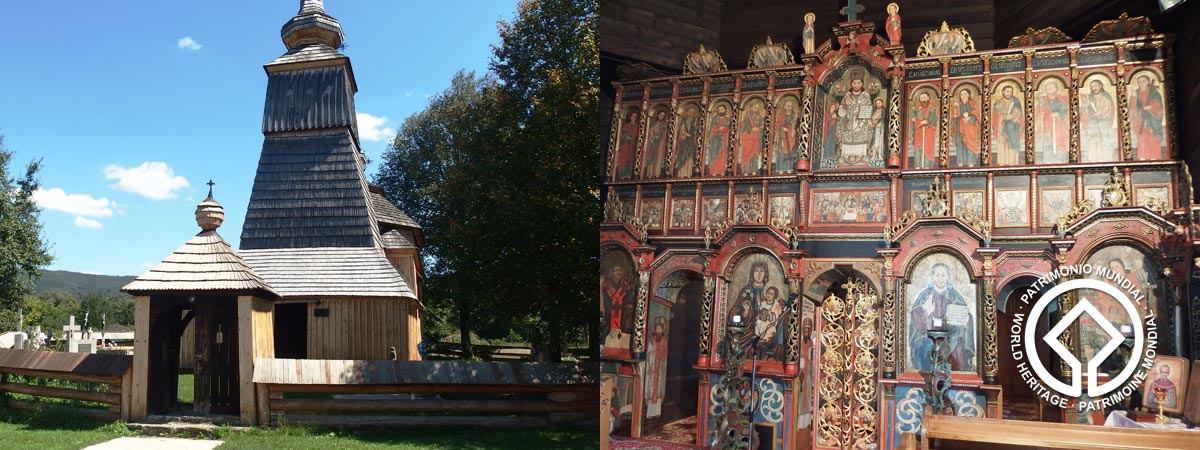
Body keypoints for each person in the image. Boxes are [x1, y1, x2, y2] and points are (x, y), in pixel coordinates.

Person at [909, 263, 975, 372]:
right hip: (928, 335)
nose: (940, 279)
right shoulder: (925, 295)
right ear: (932, 276)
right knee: (926, 345)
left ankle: (957, 375)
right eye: (938, 275)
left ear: (949, 277)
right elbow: (915, 317)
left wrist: (966, 319)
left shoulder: (955, 296)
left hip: (951, 335)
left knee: (958, 345)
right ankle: (926, 374)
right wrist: (925, 311)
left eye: (944, 275)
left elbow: (965, 315)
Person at [836, 78, 874, 166]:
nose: (856, 85)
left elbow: (869, 108)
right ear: (851, 84)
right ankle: (843, 154)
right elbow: (841, 109)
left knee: (865, 132)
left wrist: (863, 119)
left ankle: (863, 154)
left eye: (858, 83)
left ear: (862, 84)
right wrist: (846, 106)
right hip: (848, 121)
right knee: (843, 128)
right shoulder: (847, 96)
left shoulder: (866, 96)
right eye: (854, 83)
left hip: (862, 122)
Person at [1081, 79, 1118, 162]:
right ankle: (1093, 159)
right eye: (1092, 87)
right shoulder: (1089, 98)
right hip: (1093, 123)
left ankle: (1107, 159)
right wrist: (1085, 107)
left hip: (1104, 122)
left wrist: (1101, 113)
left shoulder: (1106, 97)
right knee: (1093, 139)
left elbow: (1109, 109)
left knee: (1105, 139)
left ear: (1101, 85)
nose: (1094, 88)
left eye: (1095, 86)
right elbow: (1084, 112)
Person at [1131, 74, 1165, 160]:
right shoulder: (1136, 93)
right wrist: (1134, 97)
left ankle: (1155, 156)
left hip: (1152, 117)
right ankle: (1143, 156)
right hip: (1140, 118)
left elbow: (1158, 102)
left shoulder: (1153, 92)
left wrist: (1151, 106)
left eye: (1143, 81)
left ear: (1148, 82)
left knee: (1153, 136)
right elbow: (1132, 106)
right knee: (1142, 137)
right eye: (1139, 82)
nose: (1141, 83)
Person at [1037, 80, 1069, 163]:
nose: (1049, 91)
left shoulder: (1061, 98)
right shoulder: (1043, 100)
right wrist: (1041, 111)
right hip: (1047, 124)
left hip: (1059, 124)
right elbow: (1039, 110)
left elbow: (1065, 109)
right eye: (1047, 89)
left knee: (1059, 139)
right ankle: (1048, 160)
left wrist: (1058, 114)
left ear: (1056, 89)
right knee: (1048, 141)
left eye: (1051, 88)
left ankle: (1060, 159)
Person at [992, 85, 1024, 165]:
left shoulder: (1015, 101)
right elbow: (995, 114)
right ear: (1003, 92)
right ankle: (1002, 162)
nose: (1009, 93)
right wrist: (1002, 117)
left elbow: (1018, 113)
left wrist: (1012, 116)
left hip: (1013, 125)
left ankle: (1013, 162)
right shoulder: (998, 102)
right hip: (1001, 124)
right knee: (1003, 142)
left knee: (1011, 141)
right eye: (1007, 91)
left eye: (1010, 91)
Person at [951, 88, 981, 166]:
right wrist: (955, 114)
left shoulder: (972, 103)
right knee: (960, 145)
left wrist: (970, 117)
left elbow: (976, 113)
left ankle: (971, 164)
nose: (963, 96)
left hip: (970, 128)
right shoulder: (958, 104)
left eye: (965, 94)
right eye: (961, 94)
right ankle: (960, 163)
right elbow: (955, 116)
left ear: (968, 95)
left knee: (970, 144)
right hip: (960, 128)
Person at [602, 264, 633, 337]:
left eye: (619, 270)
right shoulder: (607, 285)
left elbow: (629, 299)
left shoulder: (626, 285)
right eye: (616, 270)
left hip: (623, 313)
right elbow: (605, 300)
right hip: (609, 313)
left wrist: (623, 305)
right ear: (612, 272)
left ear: (622, 272)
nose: (618, 272)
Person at [644, 318, 668, 413]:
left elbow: (664, 354)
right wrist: (653, 354)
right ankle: (650, 413)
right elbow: (649, 352)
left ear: (662, 330)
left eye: (660, 329)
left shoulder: (664, 341)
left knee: (658, 389)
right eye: (657, 328)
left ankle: (657, 412)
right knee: (650, 387)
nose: (658, 330)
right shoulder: (651, 341)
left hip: (660, 368)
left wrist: (660, 355)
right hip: (652, 367)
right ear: (655, 330)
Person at [910, 91, 939, 168]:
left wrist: (926, 121)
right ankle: (918, 166)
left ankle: (927, 166)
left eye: (924, 97)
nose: (923, 99)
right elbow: (913, 118)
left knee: (928, 147)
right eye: (921, 98)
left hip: (928, 131)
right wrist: (916, 121)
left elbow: (933, 118)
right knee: (918, 147)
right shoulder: (917, 107)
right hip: (919, 131)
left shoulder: (932, 107)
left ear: (928, 98)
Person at [739, 102, 766, 174]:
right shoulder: (747, 117)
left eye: (757, 108)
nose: (756, 110)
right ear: (751, 108)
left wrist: (759, 128)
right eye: (755, 108)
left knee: (755, 154)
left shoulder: (760, 117)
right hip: (748, 138)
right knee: (747, 154)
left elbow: (762, 126)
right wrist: (751, 129)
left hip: (756, 138)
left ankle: (754, 171)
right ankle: (746, 171)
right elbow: (743, 128)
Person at [772, 99, 799, 173]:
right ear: (785, 107)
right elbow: (777, 125)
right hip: (782, 136)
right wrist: (782, 128)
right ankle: (780, 169)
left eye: (791, 106)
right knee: (781, 152)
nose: (790, 107)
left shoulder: (795, 115)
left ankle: (789, 168)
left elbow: (796, 124)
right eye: (788, 106)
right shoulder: (781, 115)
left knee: (790, 152)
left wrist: (793, 128)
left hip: (791, 136)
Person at [674, 105, 701, 176]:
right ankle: (681, 173)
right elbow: (681, 131)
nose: (691, 114)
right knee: (683, 156)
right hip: (684, 141)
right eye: (690, 112)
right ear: (687, 113)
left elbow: (696, 132)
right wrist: (685, 134)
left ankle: (689, 173)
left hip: (691, 142)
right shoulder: (684, 121)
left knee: (690, 156)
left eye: (693, 113)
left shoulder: (695, 122)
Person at [643, 110, 669, 178]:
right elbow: (650, 133)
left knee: (658, 158)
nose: (662, 117)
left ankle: (657, 173)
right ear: (658, 115)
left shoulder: (664, 125)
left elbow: (665, 134)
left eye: (663, 116)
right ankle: (650, 173)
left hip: (660, 143)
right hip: (653, 143)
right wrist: (654, 137)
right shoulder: (654, 124)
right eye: (661, 115)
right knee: (651, 157)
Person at [706, 104, 731, 176]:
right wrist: (717, 129)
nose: (720, 111)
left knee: (722, 155)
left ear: (725, 110)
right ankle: (713, 171)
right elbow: (711, 129)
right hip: (715, 140)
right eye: (719, 110)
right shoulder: (714, 119)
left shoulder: (728, 118)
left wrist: (724, 129)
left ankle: (722, 171)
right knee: (713, 153)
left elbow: (731, 129)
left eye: (722, 109)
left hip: (724, 139)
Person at [616, 109, 639, 179]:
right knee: (623, 160)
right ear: (630, 117)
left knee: (630, 160)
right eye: (633, 116)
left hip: (632, 146)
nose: (634, 118)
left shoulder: (637, 126)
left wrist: (632, 139)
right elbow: (622, 135)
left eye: (635, 117)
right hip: (625, 146)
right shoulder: (626, 125)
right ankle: (622, 175)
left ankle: (629, 175)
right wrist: (626, 137)